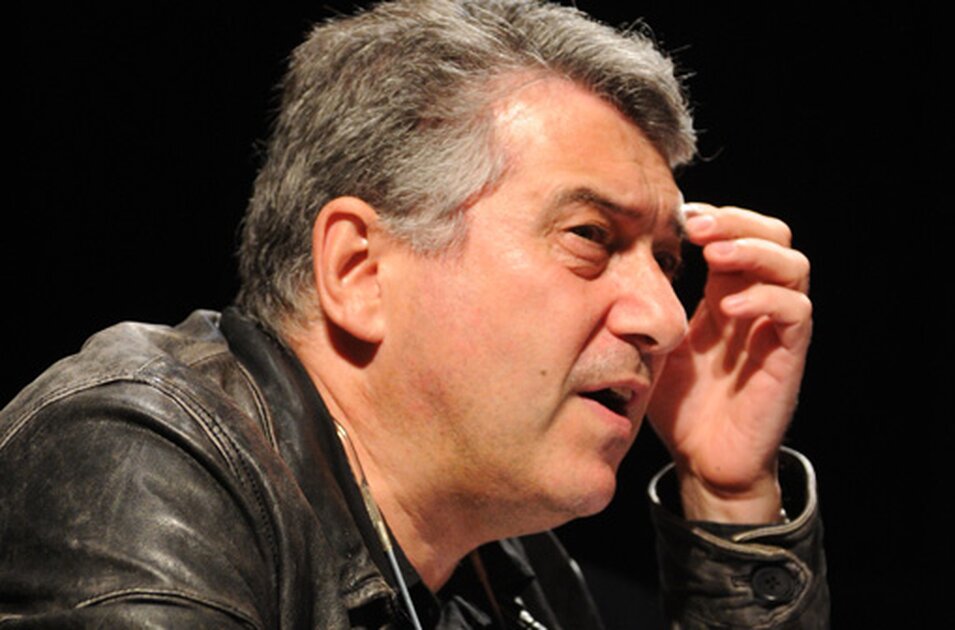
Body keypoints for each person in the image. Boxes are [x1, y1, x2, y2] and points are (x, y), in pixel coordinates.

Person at [0, 1, 828, 627]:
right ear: (358, 270)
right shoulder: (141, 455)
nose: (668, 321)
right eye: (589, 236)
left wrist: (728, 497)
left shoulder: (517, 577)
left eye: (667, 263)